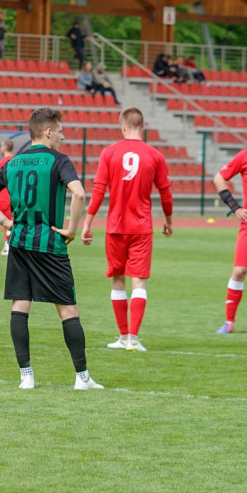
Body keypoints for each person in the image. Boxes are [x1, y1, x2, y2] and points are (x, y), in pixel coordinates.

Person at [0, 107, 102, 390]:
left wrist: (5, 221)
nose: (63, 135)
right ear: (48, 132)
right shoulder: (58, 160)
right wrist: (71, 228)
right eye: (60, 130)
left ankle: (26, 376)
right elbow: (80, 193)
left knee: (21, 305)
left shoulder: (13, 163)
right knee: (68, 309)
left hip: (19, 242)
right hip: (50, 244)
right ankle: (82, 378)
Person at [81, 108, 173, 352]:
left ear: (122, 126)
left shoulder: (109, 152)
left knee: (117, 281)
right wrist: (168, 219)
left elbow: (99, 190)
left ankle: (122, 337)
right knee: (139, 283)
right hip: (142, 227)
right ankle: (133, 338)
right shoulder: (155, 155)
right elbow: (166, 193)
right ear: (142, 126)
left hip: (116, 227)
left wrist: (88, 223)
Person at [212, 124, 247, 334]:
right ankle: (229, 322)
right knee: (240, 271)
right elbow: (219, 178)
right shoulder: (245, 156)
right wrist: (234, 206)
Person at [0, 138, 15, 256]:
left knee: (7, 222)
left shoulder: (1, 163)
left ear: (4, 147)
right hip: (15, 196)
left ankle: (8, 245)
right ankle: (9, 244)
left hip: (5, 196)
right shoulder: (17, 161)